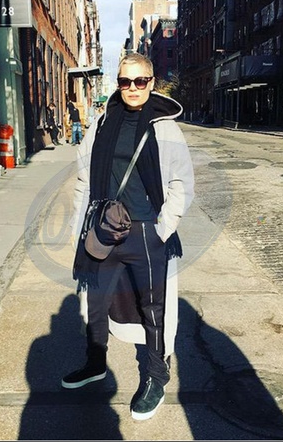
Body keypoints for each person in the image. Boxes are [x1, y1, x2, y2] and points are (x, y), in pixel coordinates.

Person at [64, 53, 195, 421]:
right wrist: (79, 228)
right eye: (125, 81)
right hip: (104, 229)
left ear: (151, 82)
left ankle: (156, 376)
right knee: (96, 302)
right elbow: (84, 178)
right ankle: (95, 364)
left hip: (146, 232)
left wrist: (162, 228)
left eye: (140, 81)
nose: (133, 88)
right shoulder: (103, 123)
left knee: (153, 308)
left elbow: (182, 182)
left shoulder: (165, 127)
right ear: (118, 84)